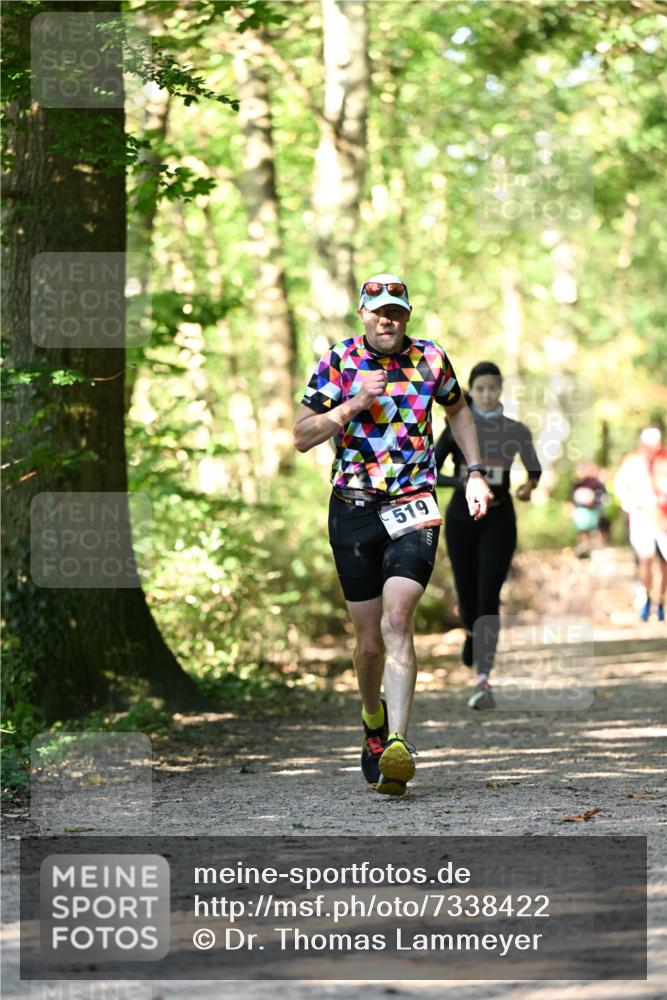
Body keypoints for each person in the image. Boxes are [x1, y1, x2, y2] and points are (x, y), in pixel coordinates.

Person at [294, 273, 493, 796]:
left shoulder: (431, 359)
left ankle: (400, 746)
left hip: (414, 505)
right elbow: (301, 437)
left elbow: (458, 411)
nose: (388, 319)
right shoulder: (339, 361)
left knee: (397, 619)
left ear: (408, 315)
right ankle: (373, 720)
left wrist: (475, 472)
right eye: (379, 310)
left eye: (397, 311)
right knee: (367, 645)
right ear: (363, 313)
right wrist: (352, 404)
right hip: (353, 508)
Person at [435, 361, 541, 709]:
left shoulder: (515, 430)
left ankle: (483, 677)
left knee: (488, 593)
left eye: (492, 388)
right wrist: (461, 482)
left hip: (499, 520)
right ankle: (470, 631)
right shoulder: (456, 428)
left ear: (500, 391)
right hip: (461, 519)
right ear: (471, 390)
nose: (486, 394)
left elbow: (534, 470)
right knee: (467, 595)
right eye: (479, 388)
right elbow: (431, 473)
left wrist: (528, 487)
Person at [613, 427, 666, 621]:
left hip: (664, 520)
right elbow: (619, 486)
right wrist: (629, 502)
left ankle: (660, 601)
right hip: (641, 519)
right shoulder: (632, 462)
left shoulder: (665, 459)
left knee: (665, 563)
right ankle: (645, 598)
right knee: (646, 558)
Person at [569, 462, 611, 557]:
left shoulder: (597, 484)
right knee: (583, 531)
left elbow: (604, 497)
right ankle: (583, 551)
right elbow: (571, 497)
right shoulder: (578, 483)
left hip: (594, 511)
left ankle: (596, 551)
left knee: (595, 531)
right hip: (582, 512)